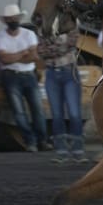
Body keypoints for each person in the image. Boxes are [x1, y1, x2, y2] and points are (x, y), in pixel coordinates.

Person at [0, 4, 47, 153]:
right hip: (10, 76)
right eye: (10, 19)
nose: (13, 20)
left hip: (29, 75)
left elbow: (34, 57)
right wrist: (23, 53)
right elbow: (4, 59)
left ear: (18, 19)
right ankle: (30, 141)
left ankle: (41, 141)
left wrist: (14, 57)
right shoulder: (0, 37)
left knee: (37, 109)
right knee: (18, 111)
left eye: (15, 18)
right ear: (5, 21)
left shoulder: (29, 34)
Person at [37, 29, 85, 163]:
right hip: (56, 72)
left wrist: (50, 48)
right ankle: (65, 151)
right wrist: (59, 47)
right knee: (57, 114)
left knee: (74, 113)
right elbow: (41, 51)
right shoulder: (44, 28)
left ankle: (75, 150)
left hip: (65, 71)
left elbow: (68, 45)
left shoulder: (71, 25)